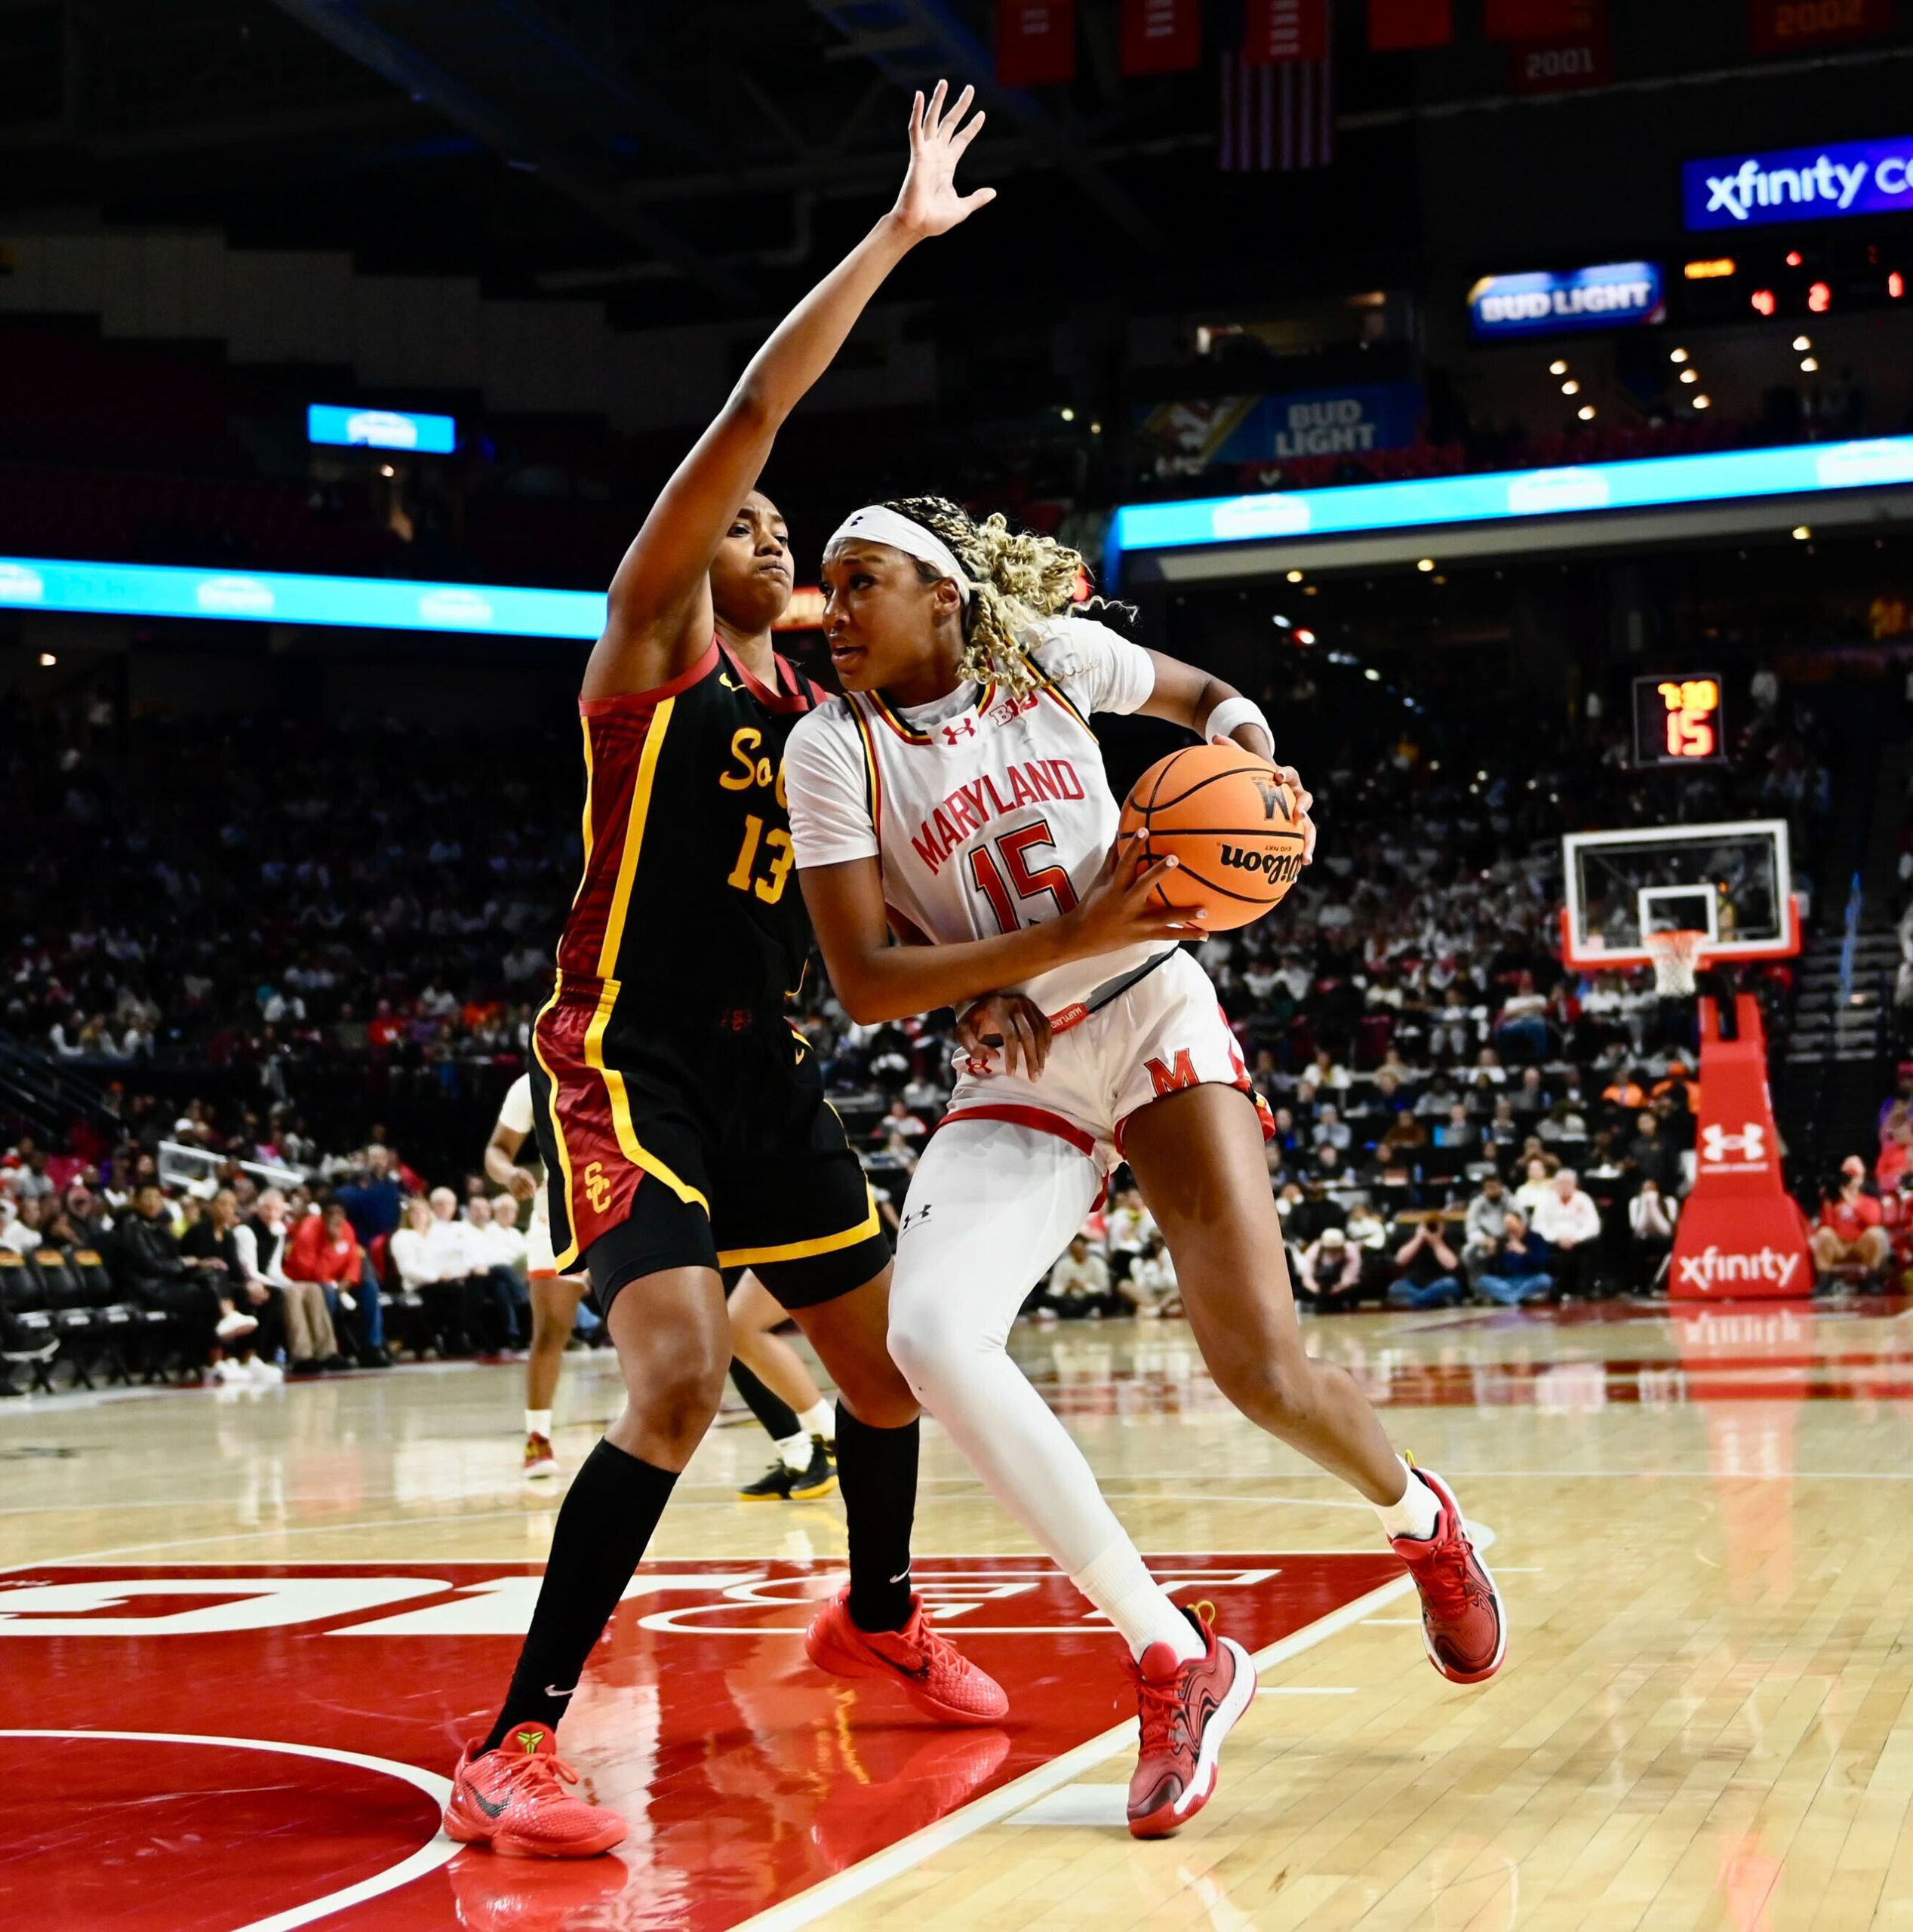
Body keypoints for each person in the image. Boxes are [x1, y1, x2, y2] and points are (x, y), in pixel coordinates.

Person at [445, 90, 1005, 1864]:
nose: (775, 538)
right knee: (679, 1376)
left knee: (893, 1369)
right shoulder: (660, 637)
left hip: (767, 1068)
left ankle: (881, 1605)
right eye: (755, 523)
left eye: (791, 537)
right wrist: (898, 240)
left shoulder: (832, 717)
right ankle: (517, 1738)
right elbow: (758, 407)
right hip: (622, 1052)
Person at [785, 488, 1501, 1838]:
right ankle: (1173, 1653)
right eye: (829, 584)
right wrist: (1051, 949)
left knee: (1261, 1370)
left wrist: (1261, 767)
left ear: (946, 593)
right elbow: (870, 984)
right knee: (929, 1338)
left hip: (1155, 1006)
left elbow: (1215, 702)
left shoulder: (1051, 656)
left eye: (863, 578)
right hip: (1020, 1058)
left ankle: (1424, 1523)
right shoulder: (830, 750)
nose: (836, 611)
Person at [236, 1187, 345, 1373]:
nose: (271, 1214)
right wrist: (286, 1286)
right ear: (258, 1208)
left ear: (282, 1212)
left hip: (269, 1279)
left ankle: (327, 1351)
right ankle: (302, 1355)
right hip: (251, 1282)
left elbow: (274, 1269)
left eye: (276, 1210)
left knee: (312, 1290)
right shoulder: (245, 1232)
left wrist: (291, 1283)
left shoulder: (278, 1232)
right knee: (292, 1293)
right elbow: (251, 1271)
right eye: (267, 1209)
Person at [1813, 1157, 1890, 1278]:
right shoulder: (1835, 1200)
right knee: (1824, 1233)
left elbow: (1874, 1221)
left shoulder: (1870, 1199)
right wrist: (1827, 1202)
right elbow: (1827, 1224)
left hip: (1861, 1245)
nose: (1850, 1179)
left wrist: (1853, 1203)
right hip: (1840, 1245)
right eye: (1847, 1174)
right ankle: (1824, 1278)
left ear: (1861, 1178)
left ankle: (1873, 1278)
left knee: (1876, 1234)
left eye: (1853, 1175)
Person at [1531, 1168, 1601, 1299]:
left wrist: (1575, 1239)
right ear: (1555, 1184)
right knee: (1539, 1243)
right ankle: (1555, 1290)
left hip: (1578, 1242)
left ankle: (1585, 1290)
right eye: (1561, 1183)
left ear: (1575, 1185)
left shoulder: (1584, 1199)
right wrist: (1557, 1239)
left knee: (1593, 1245)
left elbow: (1593, 1225)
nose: (1564, 1187)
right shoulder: (1545, 1199)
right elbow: (1538, 1225)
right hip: (1553, 1242)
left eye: (1568, 1183)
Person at [1472, 1210, 1554, 1306]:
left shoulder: (1535, 1238)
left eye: (1511, 1223)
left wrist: (1524, 1252)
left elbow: (1542, 1262)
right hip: (1507, 1282)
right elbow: (1494, 1271)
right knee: (1483, 1280)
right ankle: (1517, 1298)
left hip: (1529, 1280)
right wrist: (1493, 1255)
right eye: (1506, 1224)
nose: (1509, 1227)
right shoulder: (1502, 1240)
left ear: (1522, 1224)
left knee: (1545, 1280)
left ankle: (1510, 1298)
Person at [1034, 1232, 1119, 1321]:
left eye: (1079, 1250)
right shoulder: (1062, 1264)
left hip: (1089, 1298)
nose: (1077, 1253)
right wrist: (1067, 1289)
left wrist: (1085, 1286)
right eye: (1074, 1251)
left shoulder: (1097, 1263)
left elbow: (1104, 1288)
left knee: (1101, 1299)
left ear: (1085, 1247)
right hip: (1067, 1299)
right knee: (1046, 1299)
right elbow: (1054, 1288)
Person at [1389, 1215, 1464, 1309]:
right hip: (1414, 1284)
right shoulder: (1414, 1240)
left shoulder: (1448, 1240)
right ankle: (1432, 1301)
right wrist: (1419, 1238)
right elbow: (1400, 1261)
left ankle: (1418, 1302)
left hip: (1439, 1284)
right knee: (1395, 1287)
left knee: (1451, 1284)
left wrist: (1436, 1242)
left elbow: (1452, 1265)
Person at [1629, 1179, 1678, 1293]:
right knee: (1636, 1244)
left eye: (1652, 1190)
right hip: (1643, 1239)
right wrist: (1647, 1207)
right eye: (1646, 1190)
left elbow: (1668, 1231)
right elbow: (1637, 1230)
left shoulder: (1669, 1202)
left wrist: (1654, 1207)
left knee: (1668, 1244)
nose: (1649, 1194)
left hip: (1664, 1239)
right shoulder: (1635, 1202)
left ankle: (1660, 1283)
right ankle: (1640, 1285)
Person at [1297, 1225, 1363, 1310]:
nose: (1333, 1252)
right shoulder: (1314, 1250)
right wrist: (1316, 1289)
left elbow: (1351, 1275)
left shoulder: (1351, 1250)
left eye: (1336, 1249)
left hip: (1343, 1286)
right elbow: (1307, 1276)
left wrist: (1337, 1288)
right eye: (1330, 1249)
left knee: (1355, 1289)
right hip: (1319, 1284)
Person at [1120, 1231, 1181, 1318]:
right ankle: (1159, 1310)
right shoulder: (1139, 1261)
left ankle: (1157, 1311)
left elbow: (1174, 1283)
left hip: (1170, 1295)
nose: (1159, 1245)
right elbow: (1140, 1285)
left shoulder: (1171, 1257)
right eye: (1156, 1241)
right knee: (1124, 1284)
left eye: (1162, 1240)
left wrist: (1162, 1267)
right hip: (1150, 1297)